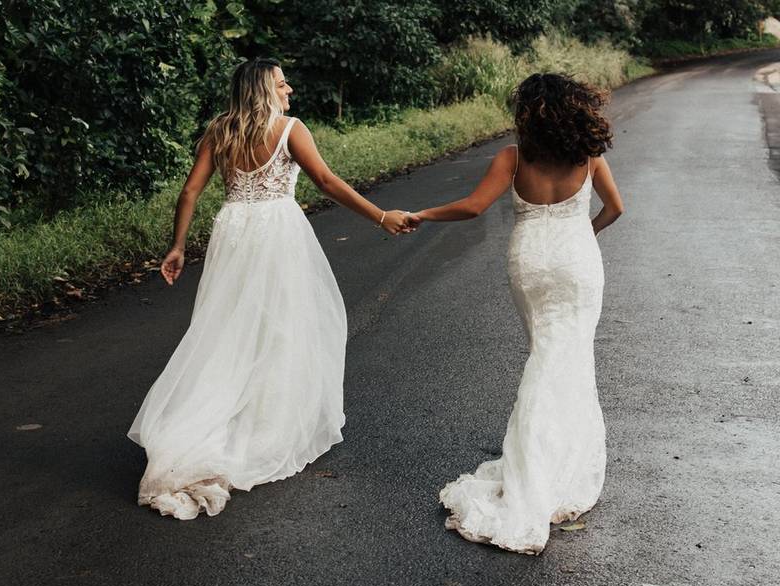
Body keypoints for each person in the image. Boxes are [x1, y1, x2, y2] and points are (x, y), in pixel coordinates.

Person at [127, 58, 411, 520]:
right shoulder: (289, 128)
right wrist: (381, 216)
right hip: (277, 230)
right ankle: (266, 424)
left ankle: (212, 418)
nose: (290, 89)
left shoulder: (219, 130)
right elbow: (325, 181)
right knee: (284, 325)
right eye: (282, 83)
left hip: (234, 230)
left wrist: (178, 246)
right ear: (264, 89)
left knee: (226, 328)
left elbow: (189, 192)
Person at [407, 73, 624, 554]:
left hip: (529, 263)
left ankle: (537, 465)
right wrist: (581, 237)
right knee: (567, 359)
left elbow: (472, 207)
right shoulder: (587, 158)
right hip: (576, 260)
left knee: (544, 355)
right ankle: (550, 469)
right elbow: (615, 208)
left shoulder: (512, 157)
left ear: (529, 113)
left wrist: (422, 214)